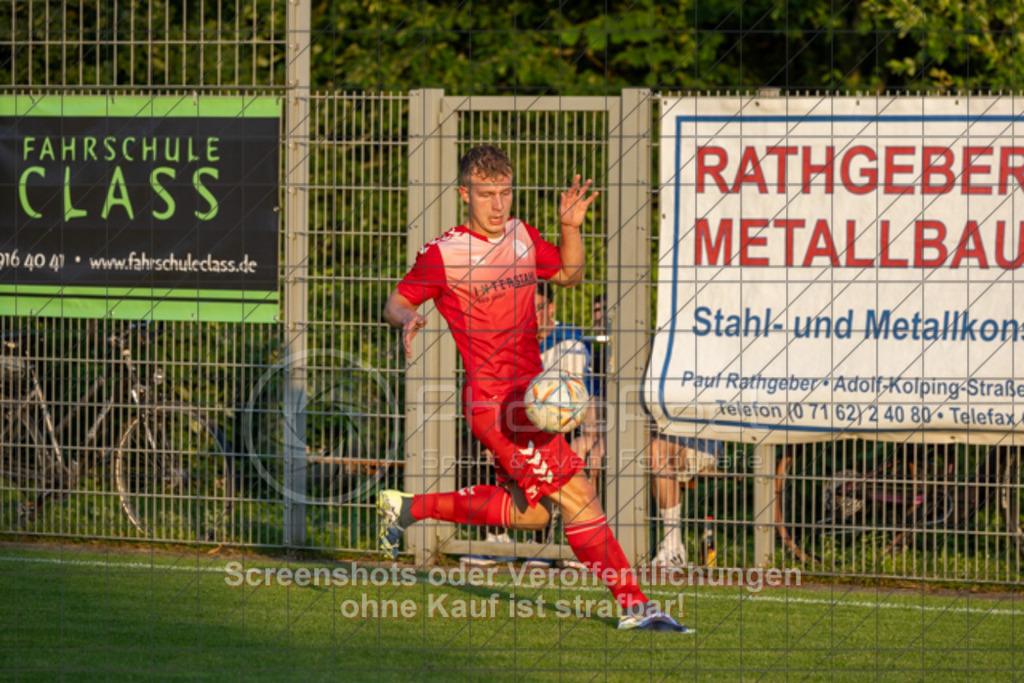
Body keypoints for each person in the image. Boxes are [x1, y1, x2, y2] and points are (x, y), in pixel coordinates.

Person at [379, 145, 689, 632]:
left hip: (530, 399)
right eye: (486, 194)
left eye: (505, 193)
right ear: (464, 194)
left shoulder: (522, 236)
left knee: (533, 516)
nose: (498, 204)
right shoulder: (444, 253)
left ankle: (407, 508)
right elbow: (395, 301)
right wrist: (407, 318)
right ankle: (636, 606)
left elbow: (569, 275)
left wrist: (570, 229)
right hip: (496, 404)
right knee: (580, 495)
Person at [649, 431, 722, 568]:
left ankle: (673, 551)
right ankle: (673, 549)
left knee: (656, 450)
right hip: (665, 442)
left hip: (701, 446)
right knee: (654, 451)